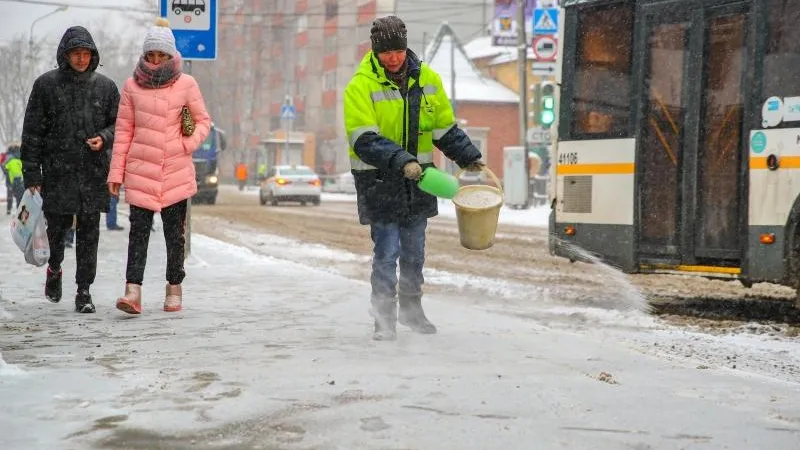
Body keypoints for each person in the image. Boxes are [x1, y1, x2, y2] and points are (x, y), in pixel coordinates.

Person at [343, 16, 484, 340]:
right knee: (386, 252)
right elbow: (364, 139)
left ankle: (411, 310)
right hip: (379, 183)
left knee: (414, 252)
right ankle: (383, 317)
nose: (393, 57)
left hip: (419, 183)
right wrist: (402, 160)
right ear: (375, 51)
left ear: (406, 47)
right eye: (386, 52)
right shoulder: (360, 86)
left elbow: (443, 128)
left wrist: (469, 157)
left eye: (398, 50)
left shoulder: (428, 80)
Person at [108, 18, 211, 315]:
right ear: (144, 55)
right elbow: (124, 131)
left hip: (175, 171)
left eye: (161, 55)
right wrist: (116, 173)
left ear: (171, 56)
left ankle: (174, 288)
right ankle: (133, 292)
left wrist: (187, 145)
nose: (155, 61)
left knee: (174, 236)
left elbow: (202, 121)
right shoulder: (131, 86)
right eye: (150, 55)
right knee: (137, 233)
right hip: (140, 172)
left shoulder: (187, 84)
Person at [20, 26, 120, 313]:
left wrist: (104, 138)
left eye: (85, 53)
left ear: (93, 55)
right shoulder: (46, 85)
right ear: (65, 55)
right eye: (76, 53)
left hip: (92, 172)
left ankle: (84, 291)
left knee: (89, 235)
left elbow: (119, 124)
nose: (81, 58)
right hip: (57, 172)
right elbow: (33, 133)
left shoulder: (106, 87)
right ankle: (54, 268)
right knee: (56, 230)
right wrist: (32, 174)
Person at [3, 144, 24, 208]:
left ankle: (11, 209)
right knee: (20, 196)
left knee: (15, 195)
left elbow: (4, 167)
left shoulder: (9, 157)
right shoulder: (18, 157)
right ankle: (19, 210)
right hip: (20, 179)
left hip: (12, 179)